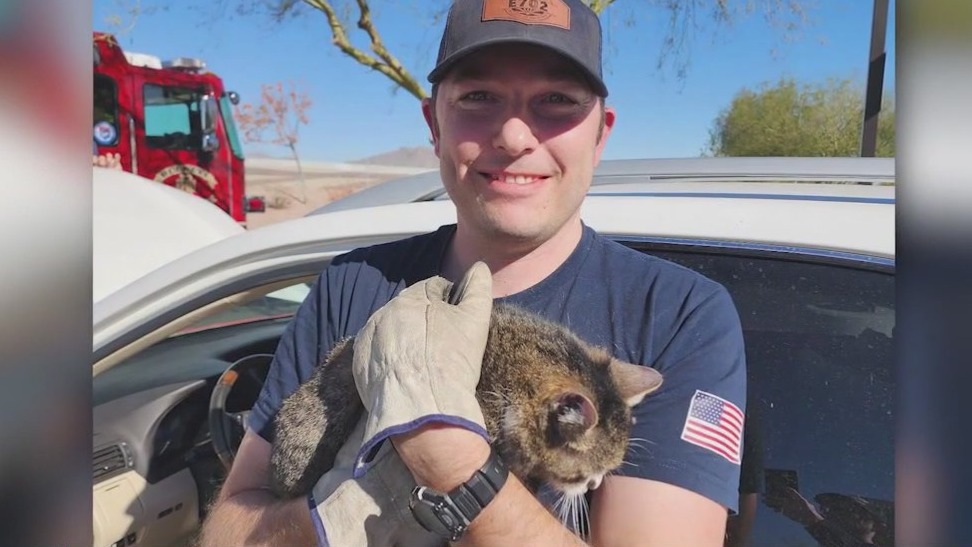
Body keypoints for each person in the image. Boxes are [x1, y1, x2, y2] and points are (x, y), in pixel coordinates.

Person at [199, 0, 746, 545]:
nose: (513, 136)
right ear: (433, 124)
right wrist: (328, 517)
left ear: (600, 135)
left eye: (557, 100)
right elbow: (229, 529)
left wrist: (450, 461)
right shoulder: (351, 281)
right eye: (478, 96)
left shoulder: (680, 316)